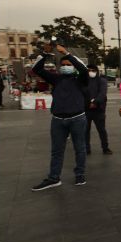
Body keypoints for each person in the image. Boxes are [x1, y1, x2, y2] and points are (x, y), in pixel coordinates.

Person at [31, 43, 90, 191]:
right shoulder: (56, 79)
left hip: (77, 118)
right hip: (57, 120)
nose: (65, 66)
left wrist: (67, 53)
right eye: (63, 64)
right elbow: (36, 69)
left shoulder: (81, 79)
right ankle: (54, 177)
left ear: (73, 66)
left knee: (80, 148)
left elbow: (83, 69)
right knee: (56, 150)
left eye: (68, 64)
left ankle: (80, 174)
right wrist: (45, 53)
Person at [84, 64, 113, 155]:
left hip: (98, 109)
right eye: (89, 70)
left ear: (97, 71)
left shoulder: (102, 81)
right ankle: (86, 148)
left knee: (102, 130)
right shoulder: (84, 81)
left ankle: (105, 148)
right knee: (85, 130)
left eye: (93, 70)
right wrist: (88, 103)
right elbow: (82, 93)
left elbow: (102, 93)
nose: (91, 72)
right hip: (86, 109)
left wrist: (95, 102)